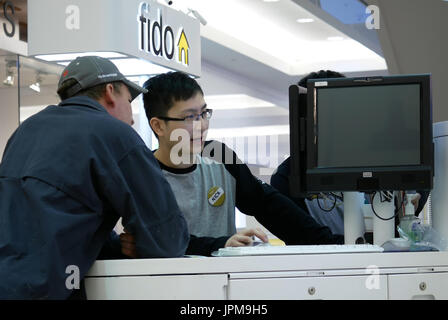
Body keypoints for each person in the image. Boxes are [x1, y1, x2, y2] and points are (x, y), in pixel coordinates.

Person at [0, 56, 189, 299]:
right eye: (129, 100)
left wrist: (113, 244)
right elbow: (167, 240)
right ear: (111, 91)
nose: (132, 117)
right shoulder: (115, 134)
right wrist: (137, 242)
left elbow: (53, 216)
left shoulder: (25, 132)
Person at [120, 71, 343, 258]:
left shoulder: (218, 155)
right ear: (158, 126)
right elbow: (162, 241)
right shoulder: (144, 175)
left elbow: (269, 205)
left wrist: (333, 245)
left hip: (225, 283)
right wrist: (221, 244)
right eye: (190, 117)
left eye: (204, 113)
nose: (201, 126)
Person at [271, 70, 429, 237]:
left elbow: (413, 201)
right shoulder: (287, 178)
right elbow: (304, 238)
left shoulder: (388, 157)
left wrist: (409, 203)